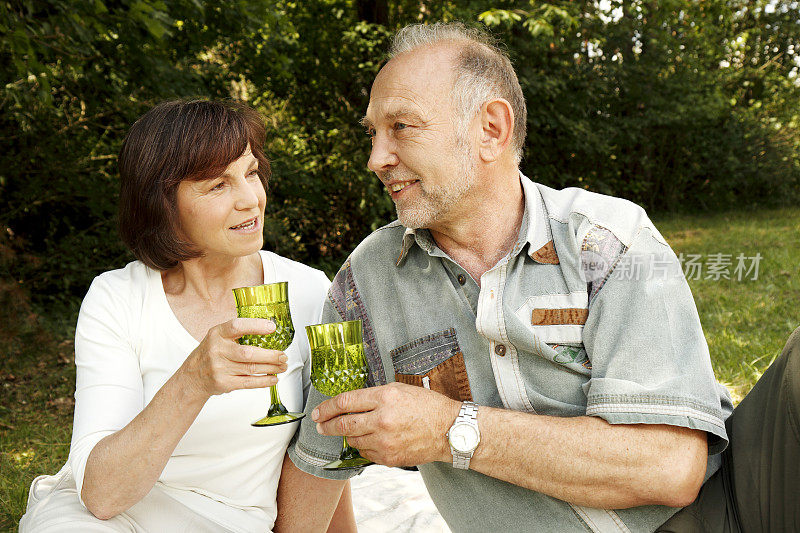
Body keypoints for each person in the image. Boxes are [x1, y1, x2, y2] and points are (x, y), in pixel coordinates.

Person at [276, 22, 800, 532]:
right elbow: (322, 449)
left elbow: (672, 467)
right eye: (373, 134)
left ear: (491, 130)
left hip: (723, 511)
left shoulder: (610, 240)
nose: (376, 158)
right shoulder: (362, 285)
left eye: (402, 127)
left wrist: (449, 429)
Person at [19, 100, 355, 532]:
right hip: (111, 518)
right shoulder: (116, 298)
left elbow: (328, 443)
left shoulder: (309, 291)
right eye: (218, 185)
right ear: (163, 203)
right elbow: (101, 496)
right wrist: (193, 379)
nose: (250, 199)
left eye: (250, 172)